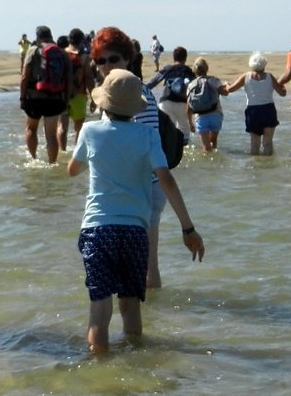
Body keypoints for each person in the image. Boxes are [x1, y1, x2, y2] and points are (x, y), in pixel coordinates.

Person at [67, 69, 205, 353]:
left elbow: (73, 170)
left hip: (97, 230)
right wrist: (188, 228)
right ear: (135, 107)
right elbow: (165, 178)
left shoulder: (90, 131)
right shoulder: (147, 134)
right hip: (134, 231)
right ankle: (136, 366)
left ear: (104, 104)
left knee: (99, 314)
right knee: (131, 308)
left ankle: (100, 374)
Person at [91, 26, 168, 288]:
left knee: (143, 270)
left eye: (113, 59)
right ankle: (148, 317)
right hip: (137, 189)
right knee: (145, 268)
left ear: (127, 58)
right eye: (100, 60)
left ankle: (144, 322)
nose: (106, 65)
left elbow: (145, 149)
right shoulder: (122, 93)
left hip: (141, 189)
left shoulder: (138, 95)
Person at [20, 25, 73, 164]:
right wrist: (66, 100)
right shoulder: (62, 53)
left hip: (34, 97)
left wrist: (22, 97)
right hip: (55, 99)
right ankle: (52, 163)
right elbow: (69, 79)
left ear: (38, 37)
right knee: (51, 135)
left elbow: (25, 76)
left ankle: (33, 158)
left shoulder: (33, 50)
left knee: (31, 128)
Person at [225, 52, 286, 155]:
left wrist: (226, 84)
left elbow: (230, 90)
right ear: (264, 64)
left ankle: (255, 166)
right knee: (268, 143)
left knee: (254, 144)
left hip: (253, 112)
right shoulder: (270, 77)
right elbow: (282, 93)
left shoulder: (246, 76)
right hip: (268, 110)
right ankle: (268, 165)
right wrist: (282, 85)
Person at [145, 47, 196, 144]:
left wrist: (141, 91)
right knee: (184, 132)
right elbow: (195, 88)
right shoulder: (189, 71)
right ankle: (181, 153)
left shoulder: (168, 68)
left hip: (166, 102)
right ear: (185, 58)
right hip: (183, 104)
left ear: (173, 57)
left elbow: (152, 83)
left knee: (166, 131)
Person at [58, 29, 95, 151]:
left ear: (69, 39)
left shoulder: (61, 54)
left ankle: (62, 150)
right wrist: (93, 98)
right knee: (78, 128)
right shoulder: (84, 57)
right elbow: (89, 78)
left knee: (62, 127)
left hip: (62, 95)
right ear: (82, 41)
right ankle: (76, 152)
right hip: (79, 95)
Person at [186, 57, 229, 152]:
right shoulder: (214, 80)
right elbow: (225, 92)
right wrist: (227, 85)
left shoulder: (191, 85)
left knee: (205, 147)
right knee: (214, 142)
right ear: (207, 68)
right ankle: (215, 163)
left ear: (194, 70)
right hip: (216, 114)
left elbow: (189, 106)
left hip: (201, 117)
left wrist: (190, 123)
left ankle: (207, 165)